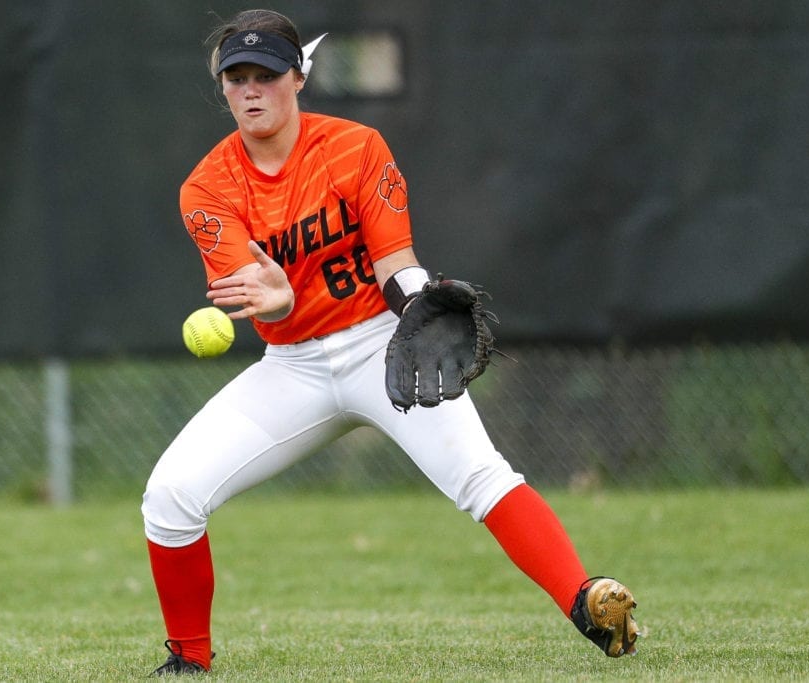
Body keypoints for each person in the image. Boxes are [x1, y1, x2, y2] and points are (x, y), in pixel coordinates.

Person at [141, 8, 640, 675]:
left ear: (298, 78)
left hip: (382, 341)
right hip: (291, 366)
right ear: (223, 88)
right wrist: (280, 297)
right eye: (237, 77)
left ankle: (587, 601)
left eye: (267, 73)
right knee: (171, 496)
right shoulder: (207, 187)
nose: (251, 89)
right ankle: (189, 660)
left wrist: (418, 307)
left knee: (482, 477)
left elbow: (394, 263)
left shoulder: (355, 147)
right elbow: (257, 285)